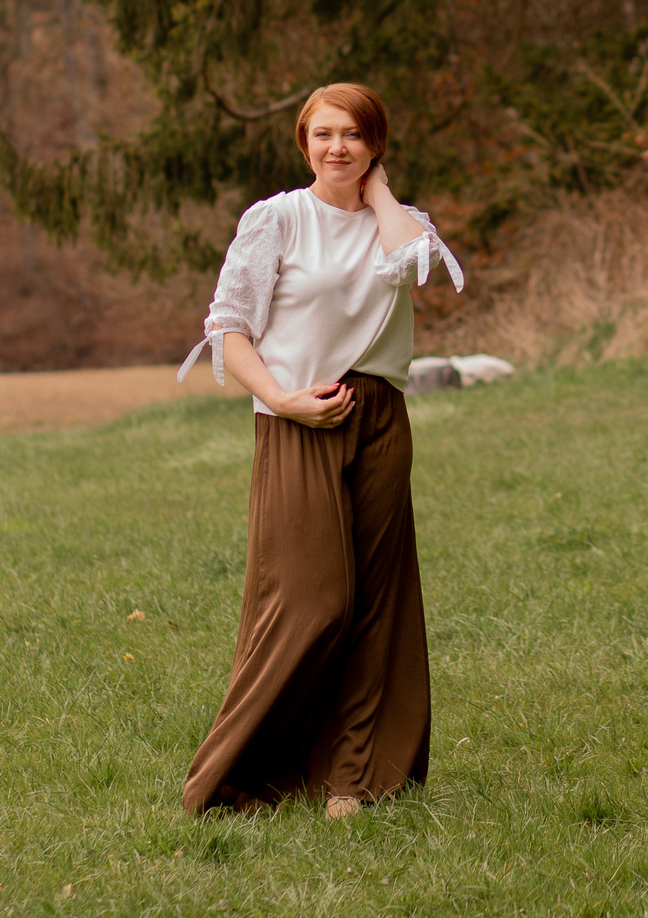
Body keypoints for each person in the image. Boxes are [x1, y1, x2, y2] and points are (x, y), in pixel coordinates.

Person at [176, 82, 465, 818]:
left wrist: (380, 193)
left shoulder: (398, 222)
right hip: (298, 415)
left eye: (355, 135)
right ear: (304, 141)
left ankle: (353, 778)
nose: (338, 147)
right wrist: (279, 398)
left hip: (378, 418)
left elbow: (412, 263)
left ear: (375, 146)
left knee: (375, 602)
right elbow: (229, 326)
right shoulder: (277, 218)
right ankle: (235, 774)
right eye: (325, 134)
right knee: (311, 598)